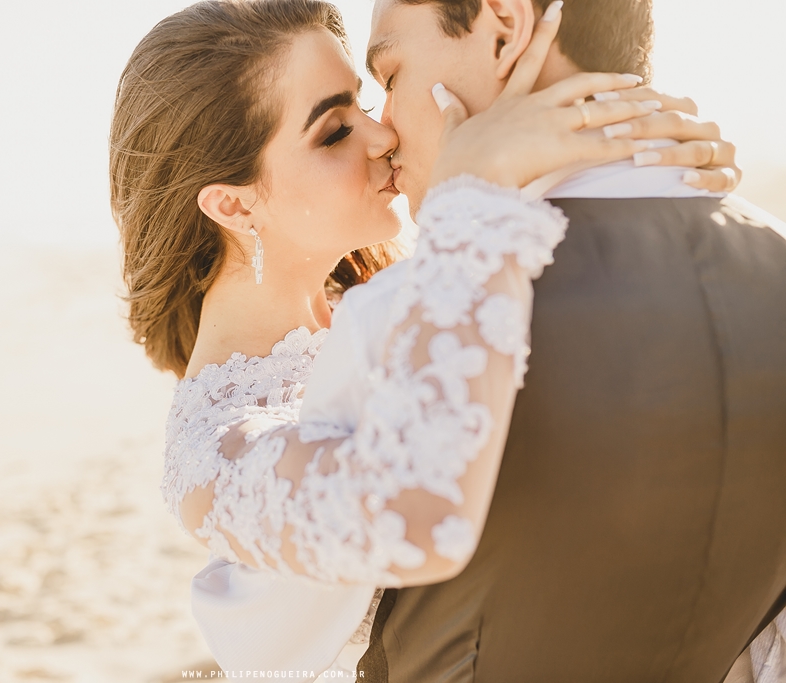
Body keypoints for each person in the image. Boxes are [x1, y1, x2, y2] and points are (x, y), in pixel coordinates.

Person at [107, 0, 762, 679]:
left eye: (368, 100)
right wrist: (474, 195)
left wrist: (637, 155)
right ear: (235, 205)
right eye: (334, 131)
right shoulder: (211, 445)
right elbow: (411, 518)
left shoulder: (429, 287)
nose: (382, 134)